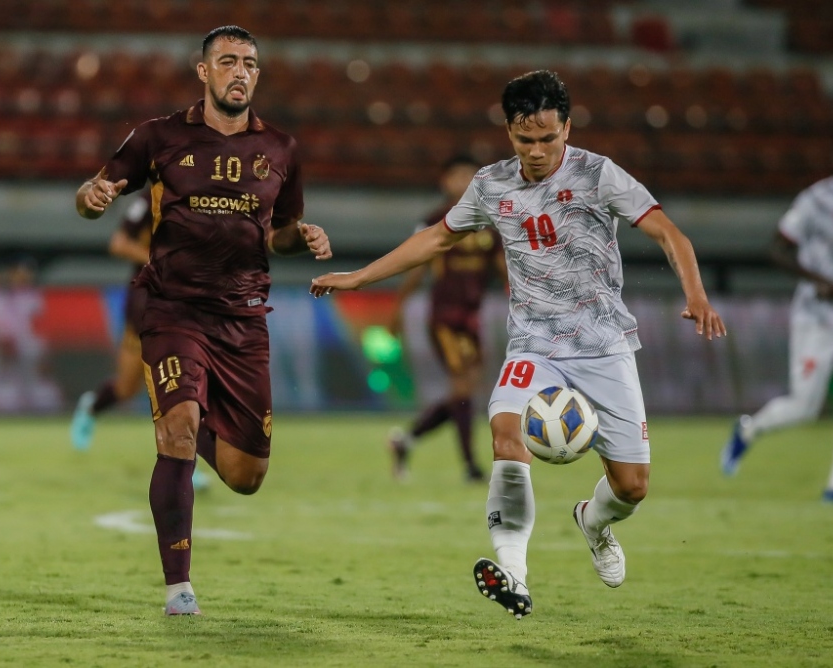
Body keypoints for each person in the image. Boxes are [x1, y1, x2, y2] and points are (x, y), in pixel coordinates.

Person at [311, 70, 725, 618]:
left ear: (567, 128)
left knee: (633, 487)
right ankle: (514, 571)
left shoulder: (599, 174)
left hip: (604, 346)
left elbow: (670, 233)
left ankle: (594, 523)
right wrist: (360, 278)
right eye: (524, 139)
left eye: (547, 138)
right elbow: (436, 237)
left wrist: (695, 293)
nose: (535, 151)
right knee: (506, 434)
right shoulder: (491, 184)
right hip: (534, 345)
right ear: (508, 131)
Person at [74, 25, 332, 616]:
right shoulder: (159, 136)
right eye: (227, 62)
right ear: (203, 71)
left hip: (244, 319)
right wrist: (89, 198)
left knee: (246, 475)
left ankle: (189, 416)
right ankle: (178, 587)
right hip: (172, 309)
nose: (239, 72)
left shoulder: (282, 149)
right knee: (178, 430)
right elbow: (98, 192)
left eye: (249, 63)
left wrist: (304, 236)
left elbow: (282, 233)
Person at [721, 127, 833, 505]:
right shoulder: (817, 201)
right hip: (818, 316)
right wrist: (818, 280)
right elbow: (778, 248)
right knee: (804, 407)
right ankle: (748, 431)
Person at [68, 190, 212, 487]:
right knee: (126, 387)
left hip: (185, 302)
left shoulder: (205, 198)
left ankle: (185, 464)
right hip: (146, 302)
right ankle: (93, 406)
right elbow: (119, 243)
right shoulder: (148, 202)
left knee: (181, 383)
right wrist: (160, 261)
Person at [386, 154, 507, 483]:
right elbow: (414, 267)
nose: (464, 182)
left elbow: (505, 270)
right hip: (443, 317)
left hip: (472, 318)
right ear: (445, 181)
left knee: (463, 393)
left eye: (471, 176)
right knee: (462, 386)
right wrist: (397, 310)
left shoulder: (489, 222)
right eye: (458, 176)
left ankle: (405, 440)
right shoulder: (435, 221)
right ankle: (470, 467)